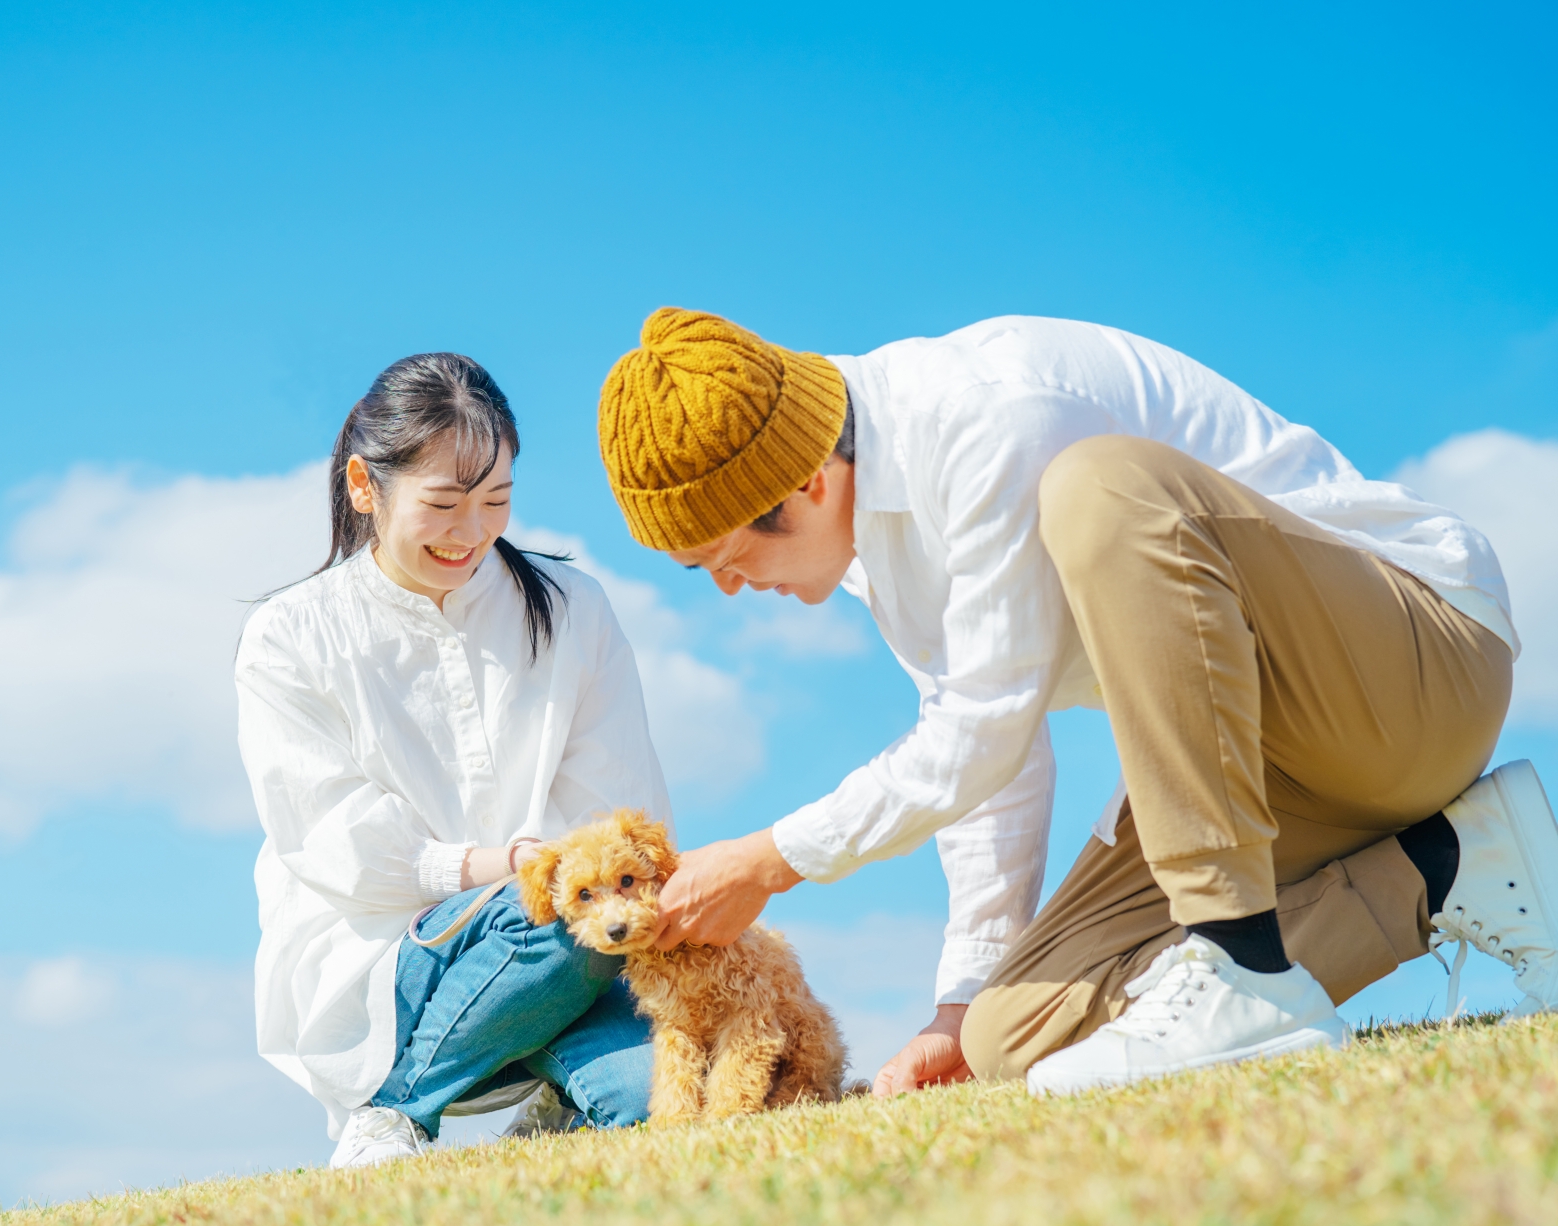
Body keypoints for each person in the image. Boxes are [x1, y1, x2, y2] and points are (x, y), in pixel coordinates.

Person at [594, 307, 1558, 1095]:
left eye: (726, 559)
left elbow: (983, 727)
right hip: (1263, 763)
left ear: (805, 480)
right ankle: (1448, 866)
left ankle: (1245, 970)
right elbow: (984, 760)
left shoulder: (987, 415)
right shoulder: (870, 535)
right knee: (1017, 1040)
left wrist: (770, 861)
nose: (727, 588)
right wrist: (959, 1005)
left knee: (1104, 491)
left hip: (1414, 673)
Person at [237, 352, 667, 1167]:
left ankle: (550, 1104)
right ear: (365, 488)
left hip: (568, 955)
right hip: (391, 965)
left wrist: (543, 879)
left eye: (496, 501)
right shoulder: (290, 636)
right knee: (545, 906)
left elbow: (620, 814)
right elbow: (330, 836)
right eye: (442, 504)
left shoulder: (574, 610)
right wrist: (487, 866)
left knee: (654, 1097)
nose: (471, 533)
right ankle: (396, 1111)